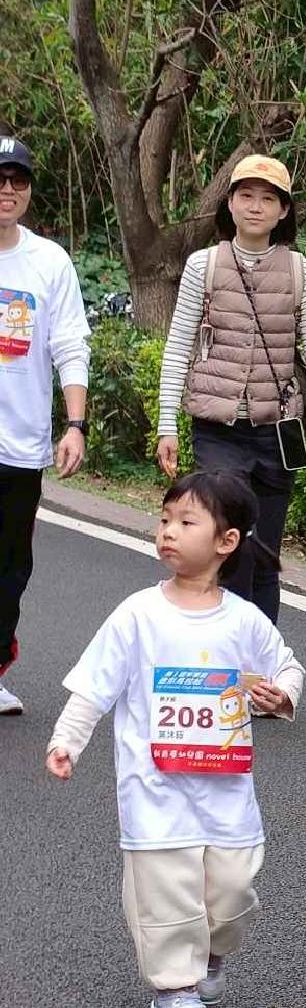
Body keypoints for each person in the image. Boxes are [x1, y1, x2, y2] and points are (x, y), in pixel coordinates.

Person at [46, 470, 304, 1008]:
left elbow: (286, 666)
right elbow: (94, 685)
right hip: (155, 785)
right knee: (165, 892)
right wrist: (67, 739)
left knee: (232, 892)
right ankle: (175, 987)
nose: (167, 532)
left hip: (226, 789)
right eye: (164, 519)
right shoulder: (137, 613)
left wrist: (279, 694)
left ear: (226, 542)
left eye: (186, 522)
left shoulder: (244, 619)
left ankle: (211, 954)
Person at [155, 154, 306, 623]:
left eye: (268, 198)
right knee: (230, 546)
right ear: (229, 203)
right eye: (246, 195)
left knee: (265, 554)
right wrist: (168, 424)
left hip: (275, 431)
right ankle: (222, 656)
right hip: (218, 431)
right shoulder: (203, 265)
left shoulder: (299, 271)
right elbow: (179, 345)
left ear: (284, 211)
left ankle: (258, 671)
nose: (255, 206)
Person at [0, 134, 90, 718]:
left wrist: (75, 423)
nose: (7, 190)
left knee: (11, 567)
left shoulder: (49, 261)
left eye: (17, 181)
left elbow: (70, 344)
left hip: (20, 446)